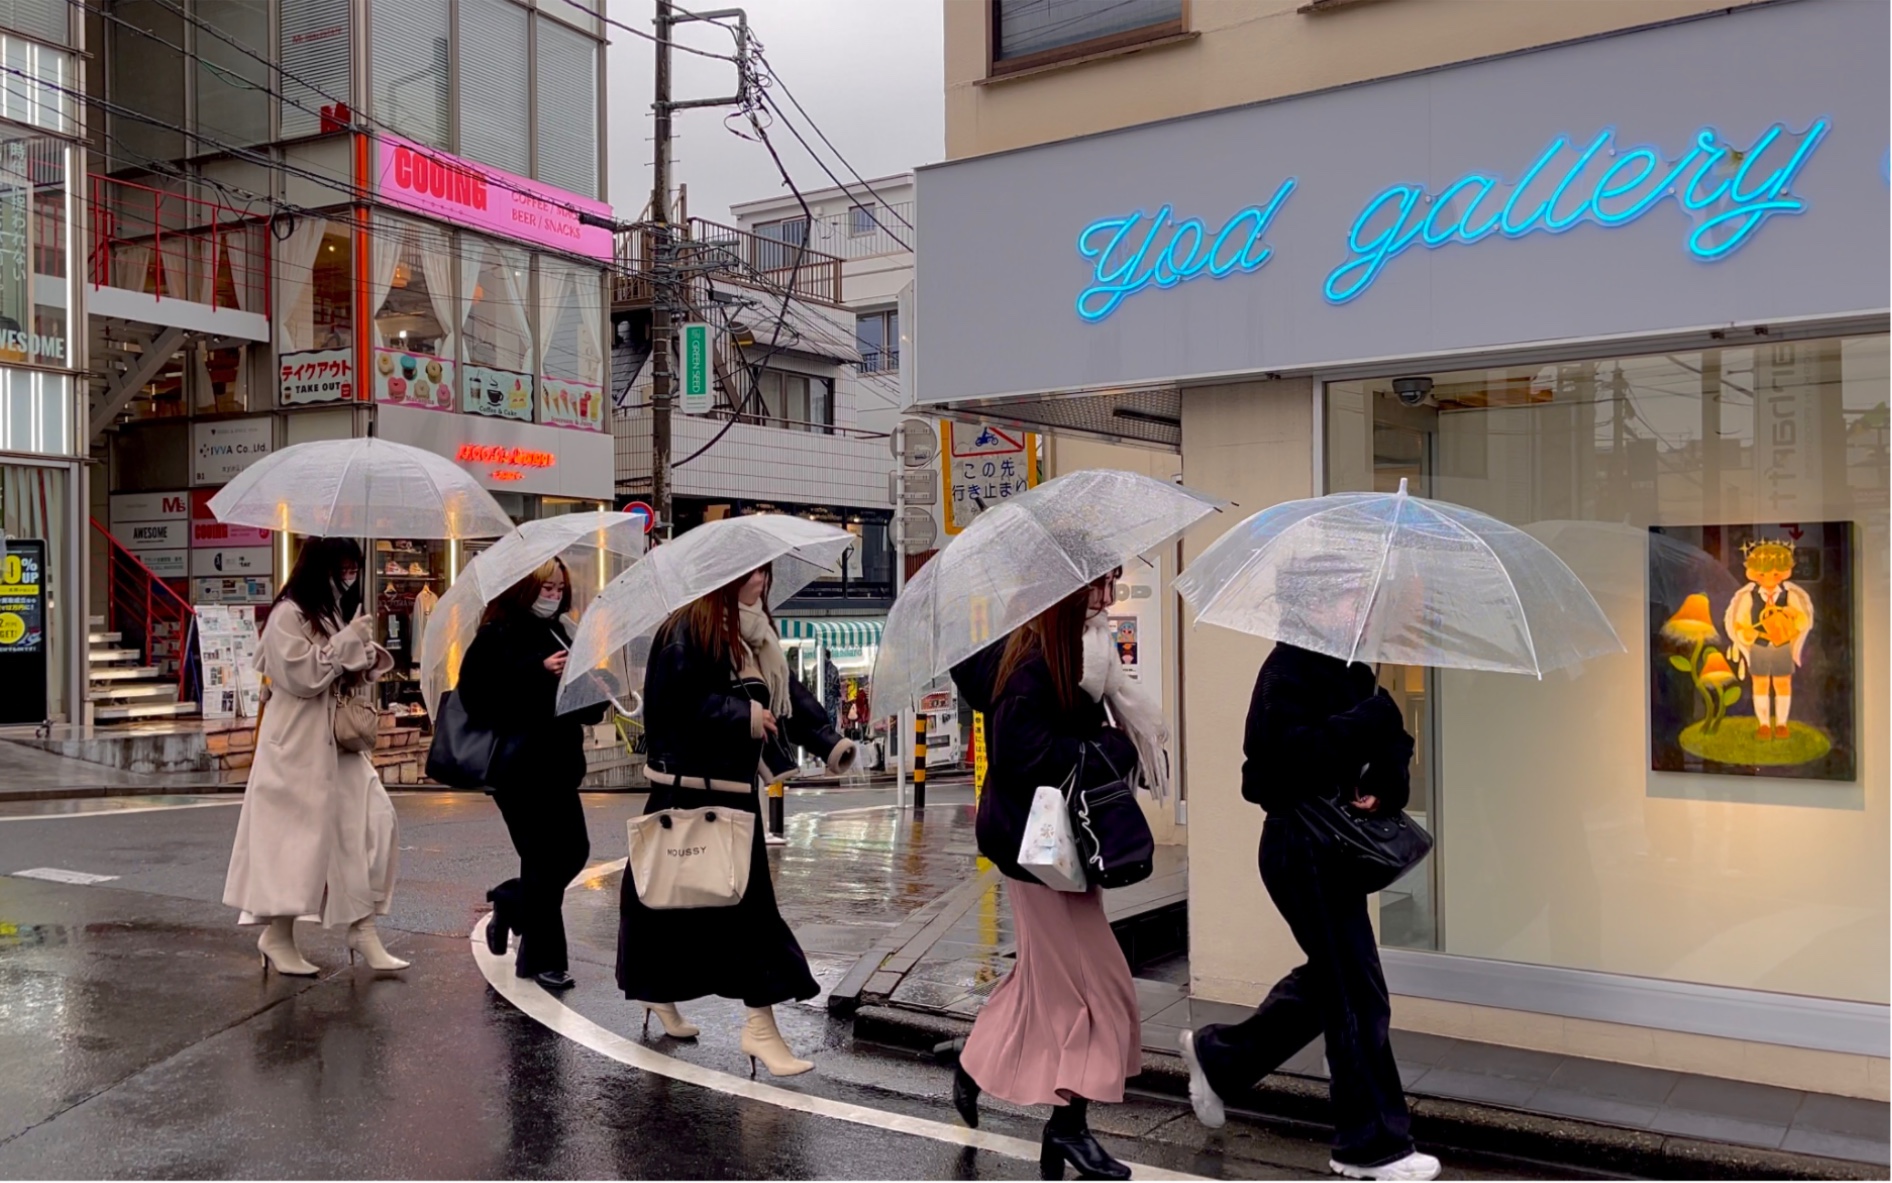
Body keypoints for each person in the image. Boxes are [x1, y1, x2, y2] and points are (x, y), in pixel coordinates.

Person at [1178, 640, 1441, 1182]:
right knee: (1356, 993)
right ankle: (1369, 1148)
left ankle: (1222, 1058)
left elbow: (1394, 742)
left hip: (1336, 849)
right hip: (1299, 847)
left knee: (1337, 982)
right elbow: (1269, 773)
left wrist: (1384, 783)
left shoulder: (1353, 670)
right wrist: (1368, 721)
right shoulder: (1287, 669)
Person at [616, 563, 856, 1073]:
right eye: (751, 574)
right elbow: (671, 708)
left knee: (689, 909)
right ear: (722, 578)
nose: (762, 582)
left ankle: (675, 997)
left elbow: (785, 693)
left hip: (731, 797)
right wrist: (741, 716)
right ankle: (757, 1028)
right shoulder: (686, 633)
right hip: (687, 796)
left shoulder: (752, 635)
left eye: (765, 574)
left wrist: (830, 742)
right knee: (699, 907)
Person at [946, 572, 1146, 1182]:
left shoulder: (1079, 654)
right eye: (1097, 588)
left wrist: (1102, 736)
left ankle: (975, 1066)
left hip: (1062, 842)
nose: (1107, 600)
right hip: (1033, 848)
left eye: (1111, 584)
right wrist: (1105, 747)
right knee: (1098, 988)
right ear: (1062, 592)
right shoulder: (1032, 661)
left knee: (1044, 982)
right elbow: (1020, 753)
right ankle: (1069, 1130)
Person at [224, 537, 406, 975]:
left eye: (353, 567)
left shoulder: (330, 611)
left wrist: (363, 653)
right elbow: (304, 676)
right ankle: (279, 934)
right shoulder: (288, 614)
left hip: (335, 744)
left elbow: (342, 670)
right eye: (341, 566)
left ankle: (362, 928)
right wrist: (344, 646)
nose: (348, 575)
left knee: (372, 823)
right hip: (297, 746)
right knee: (295, 845)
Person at [458, 558, 607, 993]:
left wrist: (596, 688)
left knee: (573, 852)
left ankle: (509, 902)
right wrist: (536, 672)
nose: (554, 594)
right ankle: (544, 959)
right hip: (517, 770)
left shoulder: (564, 630)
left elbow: (576, 702)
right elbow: (477, 696)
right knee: (543, 862)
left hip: (559, 767)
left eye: (560, 587)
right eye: (546, 587)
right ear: (525, 588)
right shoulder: (497, 634)